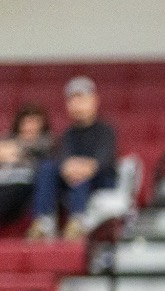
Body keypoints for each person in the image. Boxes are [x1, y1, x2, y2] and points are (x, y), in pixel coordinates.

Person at [28, 77, 117, 241]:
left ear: (94, 100)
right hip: (72, 179)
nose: (77, 105)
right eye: (72, 100)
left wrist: (82, 167)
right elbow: (63, 160)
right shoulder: (68, 134)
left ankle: (78, 221)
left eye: (81, 99)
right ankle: (44, 221)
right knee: (48, 167)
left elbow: (103, 161)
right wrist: (70, 168)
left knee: (80, 175)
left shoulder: (106, 131)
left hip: (100, 181)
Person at [0, 105, 52, 230]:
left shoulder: (47, 143)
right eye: (26, 122)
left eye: (34, 122)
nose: (30, 127)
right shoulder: (7, 140)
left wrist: (16, 150)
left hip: (23, 187)